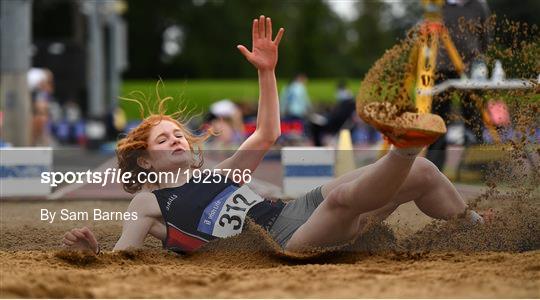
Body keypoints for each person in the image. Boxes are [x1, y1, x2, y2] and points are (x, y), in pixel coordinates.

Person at [63, 16, 485, 255]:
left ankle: (481, 230)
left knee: (426, 174)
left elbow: (267, 133)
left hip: (294, 212)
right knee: (344, 198)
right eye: (163, 140)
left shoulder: (219, 174)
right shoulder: (147, 202)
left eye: (178, 134)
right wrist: (93, 256)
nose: (177, 140)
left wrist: (267, 72)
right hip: (281, 245)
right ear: (144, 161)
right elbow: (127, 254)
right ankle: (405, 148)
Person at [426, 0, 491, 170]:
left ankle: (475, 163)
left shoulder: (479, 5)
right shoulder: (438, 5)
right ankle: (434, 163)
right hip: (441, 67)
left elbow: (485, 36)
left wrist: (478, 60)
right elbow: (428, 30)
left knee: (474, 115)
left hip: (470, 67)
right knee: (438, 116)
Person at [309, 80, 356, 146]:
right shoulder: (349, 101)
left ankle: (318, 145)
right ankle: (318, 144)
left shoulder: (346, 102)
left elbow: (338, 116)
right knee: (315, 121)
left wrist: (326, 118)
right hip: (334, 122)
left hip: (334, 124)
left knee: (314, 124)